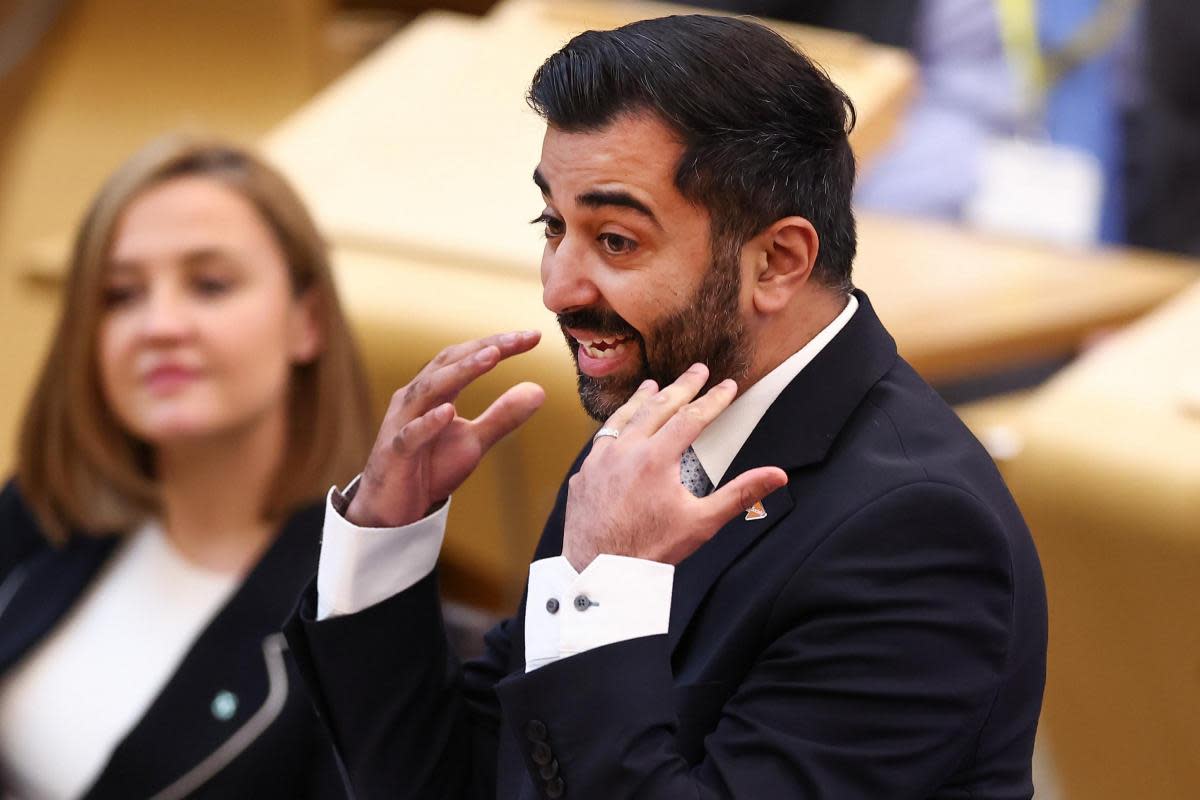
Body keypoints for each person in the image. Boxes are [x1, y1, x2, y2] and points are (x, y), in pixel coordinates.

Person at [286, 15, 1047, 800]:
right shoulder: (650, 430)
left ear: (777, 261)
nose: (558, 288)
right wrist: (384, 542)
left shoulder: (917, 532)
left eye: (615, 240)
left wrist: (605, 587)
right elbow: (469, 779)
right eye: (554, 225)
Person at [0, 135, 372, 798]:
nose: (160, 324)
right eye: (120, 295)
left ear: (306, 321)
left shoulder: (357, 620)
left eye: (209, 284)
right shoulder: (41, 510)